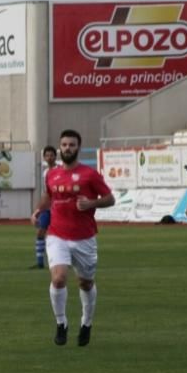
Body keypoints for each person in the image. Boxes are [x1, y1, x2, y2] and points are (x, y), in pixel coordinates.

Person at [31, 129, 115, 347]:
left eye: (72, 145)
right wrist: (38, 210)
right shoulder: (52, 174)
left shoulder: (89, 175)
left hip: (84, 237)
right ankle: (61, 324)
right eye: (64, 145)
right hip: (57, 234)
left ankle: (86, 323)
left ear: (78, 147)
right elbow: (49, 195)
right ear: (60, 147)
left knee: (85, 283)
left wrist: (91, 203)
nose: (67, 148)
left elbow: (110, 198)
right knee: (58, 278)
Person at [31, 145, 58, 268]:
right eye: (47, 155)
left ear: (55, 156)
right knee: (40, 232)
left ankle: (62, 261)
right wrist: (39, 209)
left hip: (58, 207)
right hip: (47, 207)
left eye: (51, 155)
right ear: (44, 157)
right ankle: (40, 262)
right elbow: (45, 192)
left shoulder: (60, 170)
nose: (49, 157)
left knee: (59, 234)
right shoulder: (45, 172)